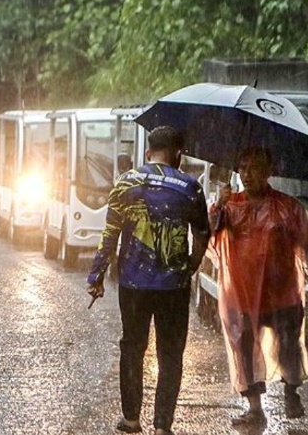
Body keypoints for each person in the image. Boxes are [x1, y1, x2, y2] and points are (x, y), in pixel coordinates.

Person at [87, 126, 210, 435]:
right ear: (178, 154)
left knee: (132, 348)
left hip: (133, 284)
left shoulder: (125, 182)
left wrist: (96, 277)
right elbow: (203, 232)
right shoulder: (190, 187)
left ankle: (130, 419)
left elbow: (110, 235)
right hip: (174, 286)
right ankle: (162, 426)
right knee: (170, 354)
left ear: (147, 152)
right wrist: (191, 264)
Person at [210, 146, 308, 425]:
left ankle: (291, 390)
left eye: (254, 168)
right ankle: (254, 407)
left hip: (282, 293)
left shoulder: (288, 207)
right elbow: (208, 232)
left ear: (268, 171)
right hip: (243, 294)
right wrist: (218, 204)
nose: (247, 174)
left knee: (288, 346)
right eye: (242, 168)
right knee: (245, 347)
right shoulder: (230, 206)